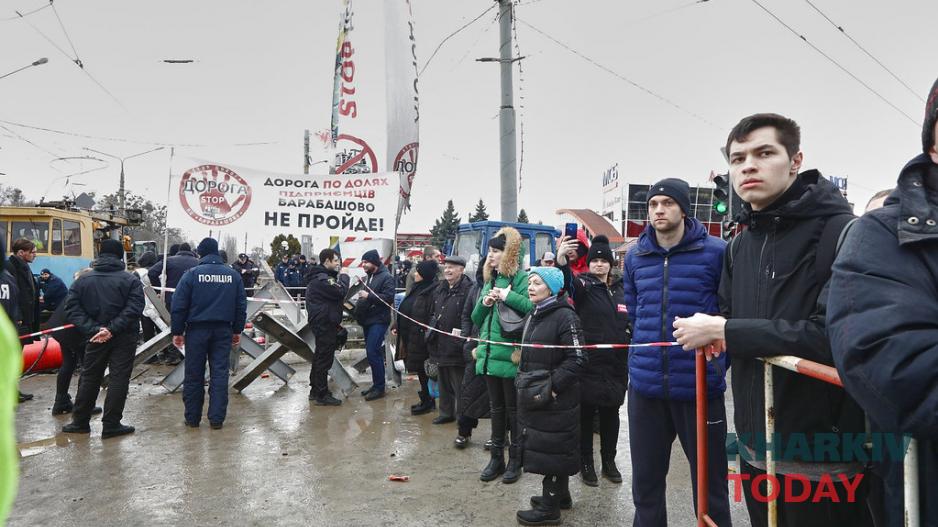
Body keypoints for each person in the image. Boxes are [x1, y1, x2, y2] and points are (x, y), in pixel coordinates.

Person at [673, 113, 870, 526]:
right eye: (737, 157)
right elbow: (728, 318)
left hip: (823, 456)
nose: (748, 165)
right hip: (754, 447)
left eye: (764, 153)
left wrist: (725, 331)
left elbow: (832, 337)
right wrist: (721, 331)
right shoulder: (739, 244)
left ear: (795, 160)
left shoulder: (844, 233)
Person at [827, 77, 938, 527]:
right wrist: (733, 332)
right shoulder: (878, 236)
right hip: (906, 477)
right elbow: (895, 367)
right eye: (738, 158)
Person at [621, 179, 730, 526]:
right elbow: (636, 313)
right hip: (646, 388)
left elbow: (729, 313)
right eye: (653, 204)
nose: (658, 210)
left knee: (710, 488)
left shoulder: (716, 252)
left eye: (667, 203)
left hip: (698, 388)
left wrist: (718, 367)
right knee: (646, 485)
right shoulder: (636, 256)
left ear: (683, 209)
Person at [514, 266, 587, 526]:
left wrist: (552, 388)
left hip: (556, 399)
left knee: (554, 449)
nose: (530, 287)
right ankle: (560, 496)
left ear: (553, 289)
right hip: (540, 393)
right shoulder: (537, 313)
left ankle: (549, 510)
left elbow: (578, 359)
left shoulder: (565, 317)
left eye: (537, 283)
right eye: (530, 282)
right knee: (551, 448)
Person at [557, 234, 630, 487]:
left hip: (615, 366)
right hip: (589, 365)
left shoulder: (621, 290)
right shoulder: (584, 286)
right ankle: (586, 463)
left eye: (603, 261)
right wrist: (562, 261)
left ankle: (608, 462)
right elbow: (567, 283)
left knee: (611, 415)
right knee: (585, 417)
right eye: (595, 261)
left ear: (611, 264)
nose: (599, 265)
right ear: (588, 264)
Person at [62, 239, 145, 439]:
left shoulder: (82, 280)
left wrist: (94, 329)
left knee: (90, 376)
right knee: (119, 378)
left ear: (99, 255)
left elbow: (72, 308)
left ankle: (80, 421)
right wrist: (112, 329)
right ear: (120, 256)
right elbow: (135, 308)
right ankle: (111, 424)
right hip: (124, 336)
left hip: (95, 337)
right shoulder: (130, 280)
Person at [472, 227, 533, 484]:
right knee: (496, 409)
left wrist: (507, 295)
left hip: (510, 355)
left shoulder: (519, 278)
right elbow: (476, 319)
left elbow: (531, 307)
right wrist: (485, 303)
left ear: (508, 254)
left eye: (496, 251)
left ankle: (515, 461)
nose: (491, 256)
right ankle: (496, 457)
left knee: (513, 411)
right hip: (488, 355)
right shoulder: (489, 280)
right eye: (490, 251)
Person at [170, 238, 247, 429]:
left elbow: (178, 305)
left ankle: (192, 418)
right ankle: (217, 419)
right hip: (223, 330)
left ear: (201, 253)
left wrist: (177, 331)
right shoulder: (233, 275)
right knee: (220, 373)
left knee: (194, 374)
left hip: (196, 331)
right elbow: (241, 306)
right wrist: (237, 329)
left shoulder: (191, 275)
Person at [427, 255, 473, 425]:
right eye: (446, 267)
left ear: (461, 270)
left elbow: (470, 317)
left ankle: (462, 418)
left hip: (457, 345)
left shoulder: (469, 289)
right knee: (443, 382)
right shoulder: (440, 288)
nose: (447, 270)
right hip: (440, 343)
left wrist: (465, 341)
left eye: (452, 267)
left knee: (459, 385)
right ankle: (446, 413)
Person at [305, 248, 350, 406]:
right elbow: (341, 292)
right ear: (327, 261)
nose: (338, 263)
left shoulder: (321, 277)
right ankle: (322, 394)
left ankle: (315, 390)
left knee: (319, 357)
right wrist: (344, 275)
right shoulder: (322, 279)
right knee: (324, 359)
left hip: (323, 321)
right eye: (336, 260)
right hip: (324, 323)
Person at [392, 259, 438, 414]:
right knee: (420, 371)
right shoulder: (417, 288)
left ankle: (428, 401)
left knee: (424, 371)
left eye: (418, 271)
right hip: (410, 336)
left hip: (421, 339)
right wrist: (397, 325)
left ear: (425, 275)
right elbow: (407, 308)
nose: (415, 274)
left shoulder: (431, 291)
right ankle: (425, 398)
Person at [454, 264, 490, 449]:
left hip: (499, 348)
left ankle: (500, 435)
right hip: (476, 347)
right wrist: (467, 339)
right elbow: (466, 315)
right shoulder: (475, 288)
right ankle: (464, 431)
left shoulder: (511, 287)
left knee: (500, 397)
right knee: (468, 392)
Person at [354, 249, 395, 401]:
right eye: (363, 262)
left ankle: (379, 387)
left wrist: (368, 296)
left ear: (374, 262)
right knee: (372, 354)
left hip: (379, 320)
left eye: (366, 262)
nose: (363, 265)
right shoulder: (370, 276)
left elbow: (389, 298)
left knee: (373, 352)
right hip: (368, 320)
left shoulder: (386, 277)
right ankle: (376, 384)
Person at [149, 243, 199, 365]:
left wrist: (158, 290)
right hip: (194, 301)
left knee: (174, 326)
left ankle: (174, 355)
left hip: (173, 299)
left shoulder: (169, 261)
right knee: (192, 327)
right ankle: (189, 354)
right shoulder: (198, 262)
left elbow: (152, 272)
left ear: (179, 251)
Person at [8, 238, 39, 402]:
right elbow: (12, 295)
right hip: (16, 320)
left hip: (24, 319)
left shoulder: (23, 267)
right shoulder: (11, 268)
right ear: (21, 253)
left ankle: (14, 390)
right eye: (32, 252)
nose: (35, 255)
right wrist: (17, 316)